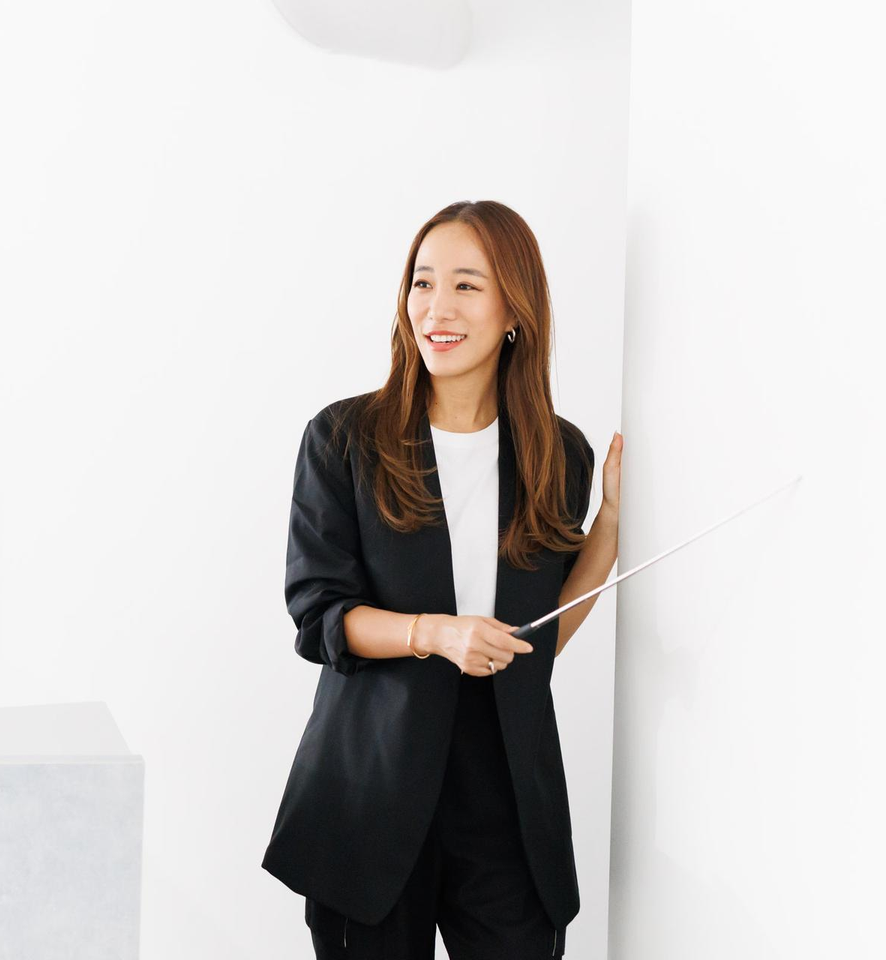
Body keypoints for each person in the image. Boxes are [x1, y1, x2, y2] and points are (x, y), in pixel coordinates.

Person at [261, 200, 622, 959]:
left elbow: (540, 637)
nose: (436, 308)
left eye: (466, 285)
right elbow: (320, 617)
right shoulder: (343, 438)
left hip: (505, 792)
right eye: (422, 283)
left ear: (514, 310)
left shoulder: (560, 454)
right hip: (372, 787)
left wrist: (611, 526)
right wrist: (436, 634)